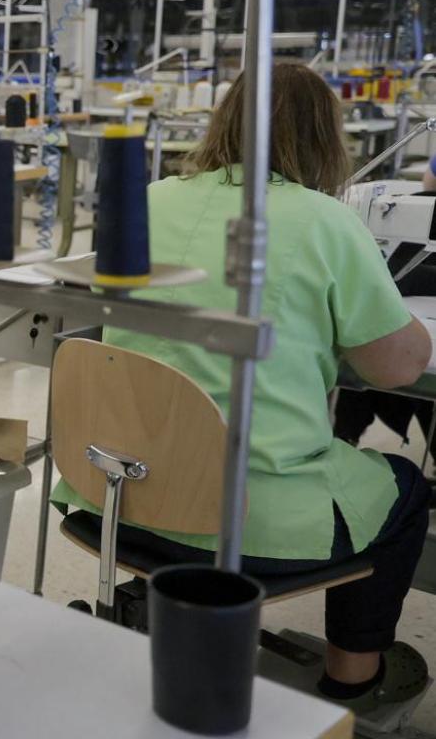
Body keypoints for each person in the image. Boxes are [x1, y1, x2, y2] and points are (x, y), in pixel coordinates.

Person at [51, 63, 434, 713]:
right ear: (326, 140)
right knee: (403, 490)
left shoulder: (149, 200)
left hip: (112, 493)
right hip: (243, 520)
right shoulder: (326, 221)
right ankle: (356, 679)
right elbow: (397, 369)